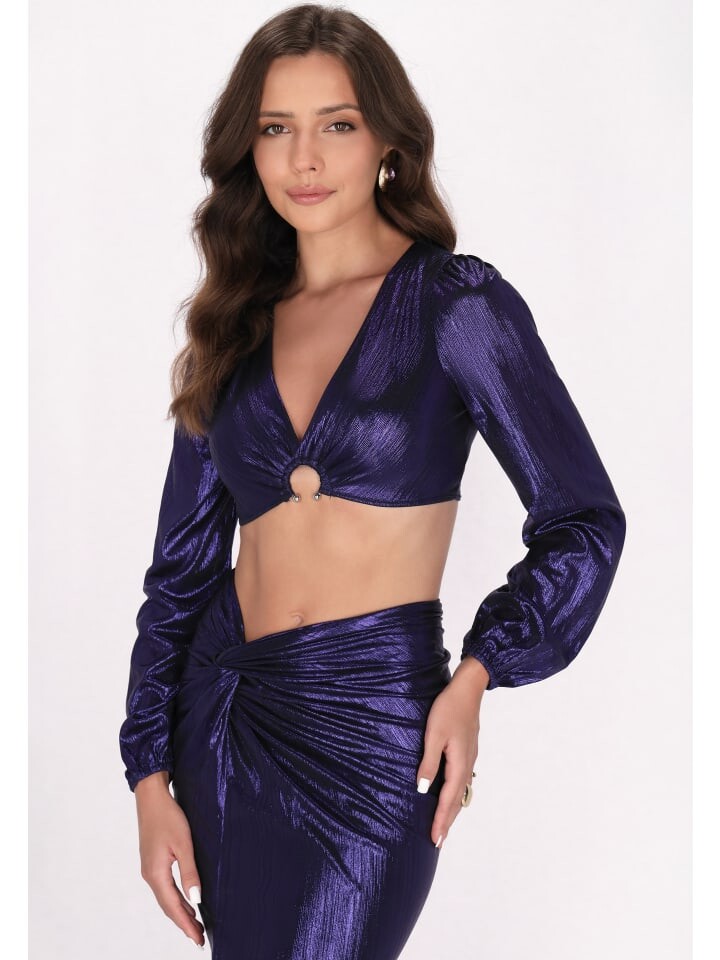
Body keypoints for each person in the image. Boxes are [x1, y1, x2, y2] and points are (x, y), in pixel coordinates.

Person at [119, 4, 626, 958]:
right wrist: (148, 776)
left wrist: (479, 671)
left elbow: (584, 519)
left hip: (374, 729)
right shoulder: (232, 326)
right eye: (277, 128)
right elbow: (179, 574)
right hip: (222, 716)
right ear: (248, 149)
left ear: (388, 140)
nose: (304, 159)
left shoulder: (458, 305)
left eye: (337, 125)